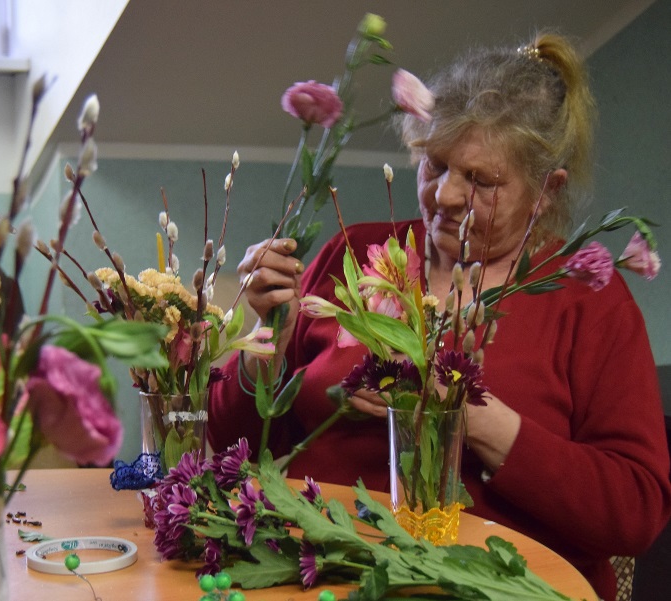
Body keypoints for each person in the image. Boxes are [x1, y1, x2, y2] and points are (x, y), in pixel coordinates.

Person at [208, 32, 671, 601]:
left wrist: (469, 418)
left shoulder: (587, 300)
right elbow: (230, 445)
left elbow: (635, 512)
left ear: (546, 191)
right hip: (312, 577)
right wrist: (267, 341)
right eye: (435, 164)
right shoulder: (353, 251)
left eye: (480, 180)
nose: (445, 196)